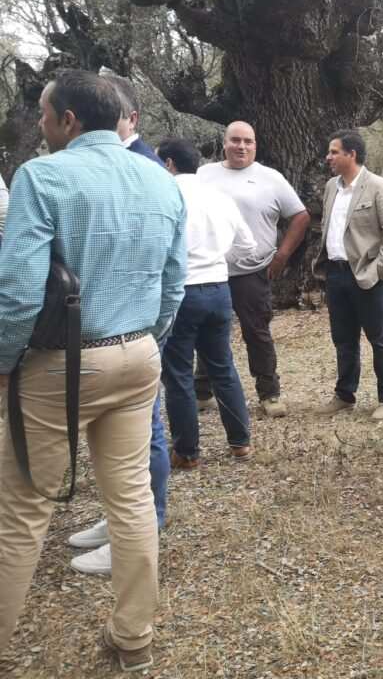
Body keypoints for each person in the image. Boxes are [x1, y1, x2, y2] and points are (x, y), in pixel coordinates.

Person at [0, 70, 186, 671]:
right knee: (131, 498)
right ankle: (134, 638)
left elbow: (18, 292)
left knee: (23, 511)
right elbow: (174, 283)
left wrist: (3, 362)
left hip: (60, 364)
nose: (41, 125)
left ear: (68, 120)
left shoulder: (41, 176)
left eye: (43, 114)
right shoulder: (160, 181)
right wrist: (147, 339)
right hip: (138, 356)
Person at [66, 74, 172, 577]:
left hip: (132, 331)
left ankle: (145, 521)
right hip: (116, 333)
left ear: (129, 117)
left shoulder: (146, 167)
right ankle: (120, 520)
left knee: (146, 431)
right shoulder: (107, 166)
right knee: (116, 439)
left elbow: (170, 266)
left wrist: (155, 329)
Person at [197, 121, 310, 418]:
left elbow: (300, 216)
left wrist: (282, 254)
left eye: (248, 141)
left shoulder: (270, 178)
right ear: (224, 143)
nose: (241, 146)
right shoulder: (204, 175)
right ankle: (202, 392)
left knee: (257, 332)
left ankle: (269, 393)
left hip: (252, 272)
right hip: (210, 269)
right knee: (208, 329)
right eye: (235, 140)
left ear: (255, 145)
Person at [157, 138, 257, 468]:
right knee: (222, 366)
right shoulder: (219, 197)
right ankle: (240, 442)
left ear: (169, 163)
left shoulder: (165, 197)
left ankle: (187, 452)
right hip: (218, 289)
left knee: (179, 374)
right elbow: (248, 245)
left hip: (181, 291)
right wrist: (217, 258)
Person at [312, 129, 383, 420]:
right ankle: (344, 394)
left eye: (334, 152)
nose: (328, 157)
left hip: (370, 276)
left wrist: (379, 270)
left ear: (351, 155)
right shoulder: (332, 187)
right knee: (343, 339)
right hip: (336, 274)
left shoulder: (378, 187)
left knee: (380, 339)